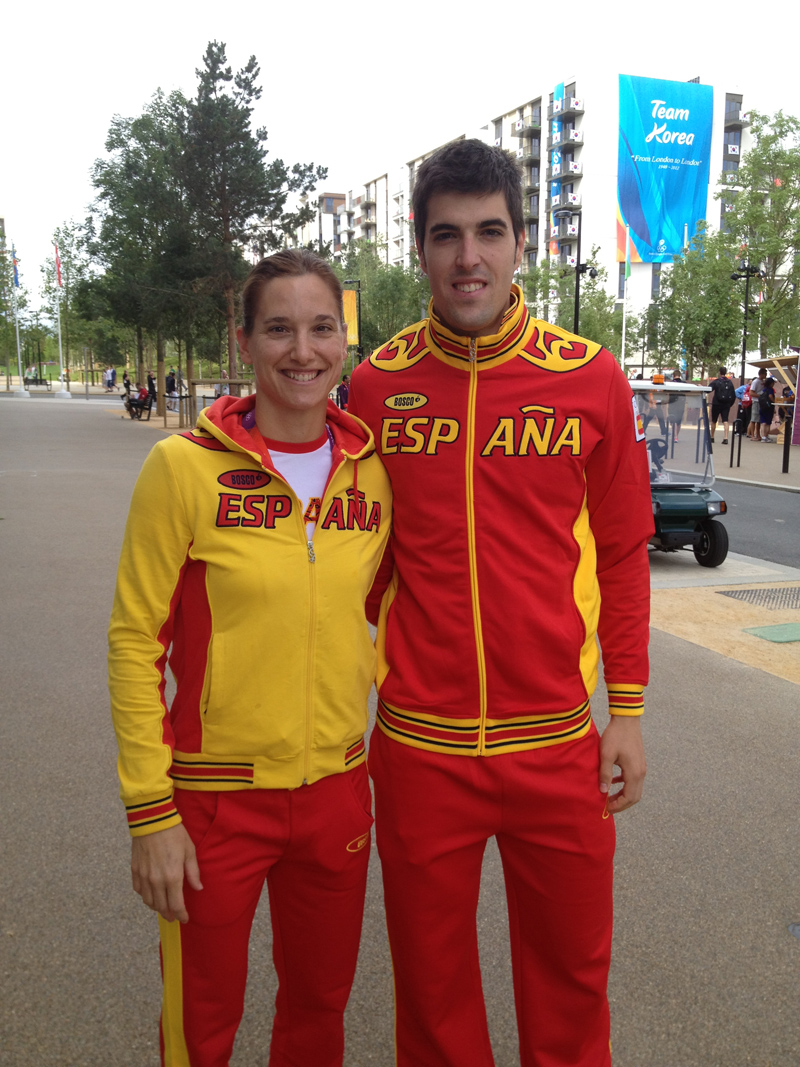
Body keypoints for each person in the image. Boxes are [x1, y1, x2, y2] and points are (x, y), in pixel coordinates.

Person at [348, 139, 652, 1067]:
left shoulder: (589, 376)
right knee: (432, 999)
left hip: (556, 742)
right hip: (420, 748)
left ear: (523, 243)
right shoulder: (375, 385)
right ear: (419, 247)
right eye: (447, 236)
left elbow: (625, 551)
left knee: (571, 984)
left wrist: (627, 713)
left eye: (489, 232)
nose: (468, 257)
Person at [108, 249, 391, 1067]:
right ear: (244, 342)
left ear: (344, 339)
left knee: (318, 1010)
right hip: (211, 802)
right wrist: (149, 811)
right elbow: (134, 642)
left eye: (320, 328)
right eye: (279, 329)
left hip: (338, 789)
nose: (302, 350)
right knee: (200, 1023)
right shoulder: (183, 470)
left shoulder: (374, 473)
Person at [707, 366, 736, 444]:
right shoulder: (730, 382)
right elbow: (733, 394)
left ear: (719, 372)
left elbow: (708, 390)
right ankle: (725, 438)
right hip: (726, 404)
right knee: (725, 420)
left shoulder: (716, 382)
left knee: (714, 420)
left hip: (717, 403)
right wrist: (730, 404)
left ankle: (712, 437)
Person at [747, 367, 768, 440]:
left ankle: (758, 434)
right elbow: (751, 392)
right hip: (756, 402)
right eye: (765, 374)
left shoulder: (763, 382)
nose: (766, 375)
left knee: (758, 420)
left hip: (761, 403)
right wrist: (760, 396)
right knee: (754, 419)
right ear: (761, 374)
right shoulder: (755, 382)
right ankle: (752, 435)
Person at [760, 375, 777, 442]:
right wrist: (774, 401)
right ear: (771, 383)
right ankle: (766, 436)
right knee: (768, 423)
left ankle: (763, 437)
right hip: (769, 407)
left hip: (762, 407)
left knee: (763, 423)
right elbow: (770, 396)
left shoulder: (763, 389)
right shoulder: (770, 389)